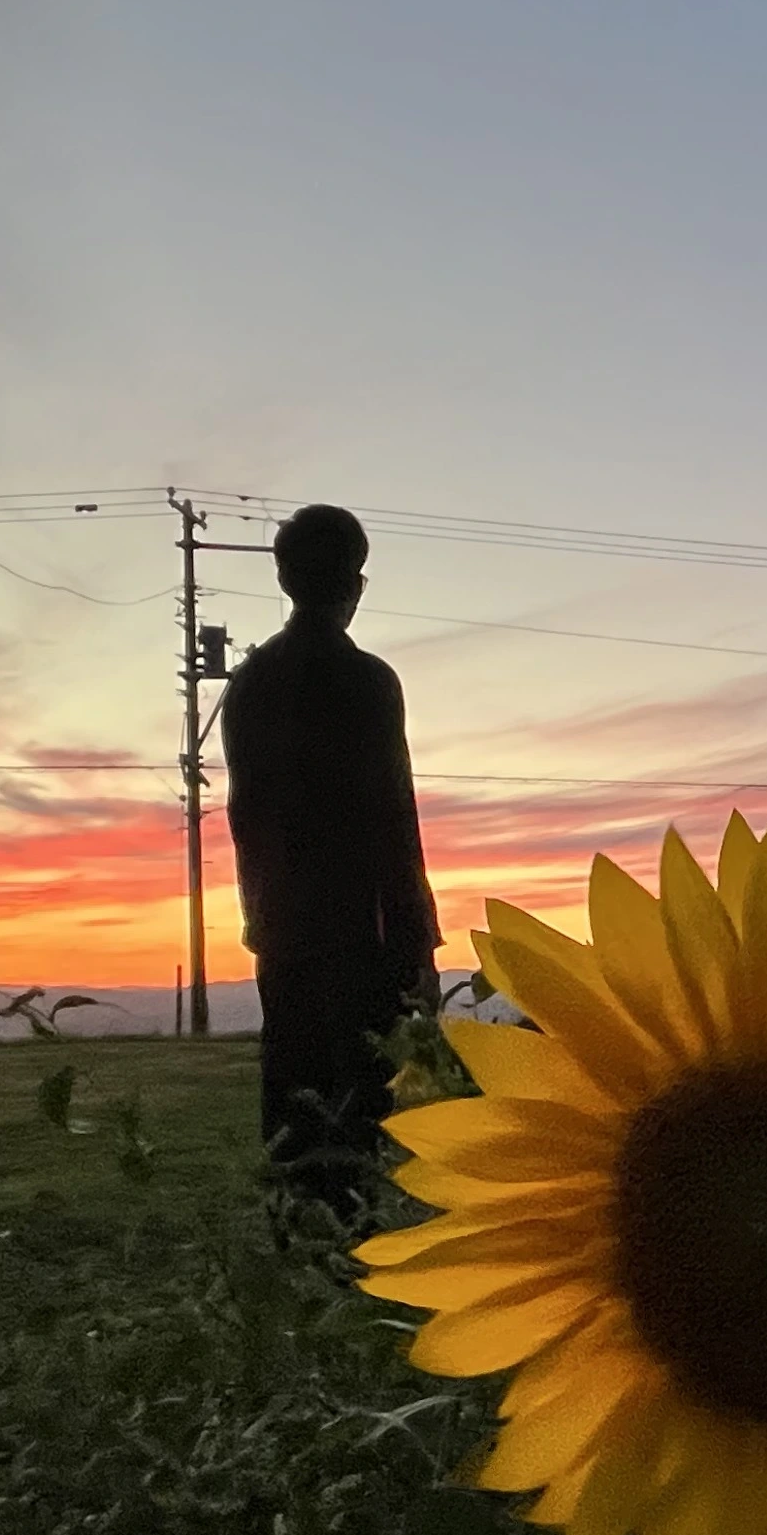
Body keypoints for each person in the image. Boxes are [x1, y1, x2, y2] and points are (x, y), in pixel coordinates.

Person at [219, 505, 443, 1210]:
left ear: (284, 576)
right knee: (361, 1108)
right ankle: (356, 1251)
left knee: (292, 1096)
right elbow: (391, 818)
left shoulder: (249, 683)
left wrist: (260, 920)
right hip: (362, 934)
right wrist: (417, 939)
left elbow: (244, 817)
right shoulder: (367, 681)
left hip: (283, 930)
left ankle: (298, 1245)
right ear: (356, 580)